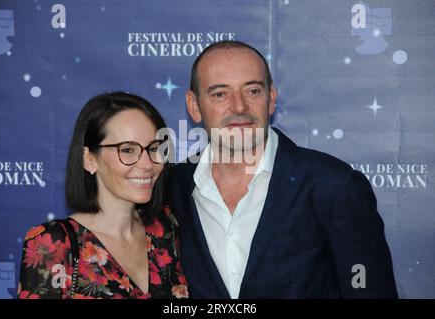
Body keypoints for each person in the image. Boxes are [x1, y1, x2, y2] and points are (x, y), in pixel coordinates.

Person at [169, 40, 398, 298]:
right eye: (220, 94)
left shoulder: (334, 186)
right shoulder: (173, 185)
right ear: (194, 106)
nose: (239, 107)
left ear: (271, 99)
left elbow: (369, 290)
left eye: (253, 91)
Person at [18, 92, 188, 299]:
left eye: (154, 149)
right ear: (89, 160)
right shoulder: (53, 243)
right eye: (127, 150)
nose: (147, 164)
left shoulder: (167, 228)